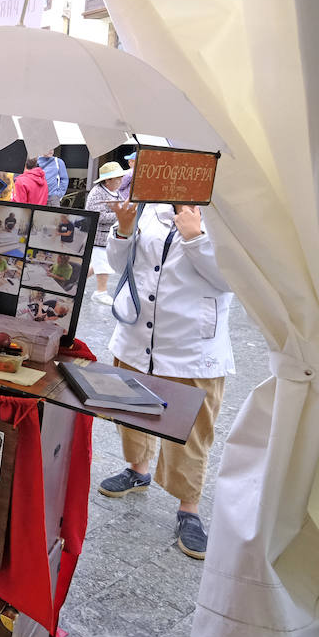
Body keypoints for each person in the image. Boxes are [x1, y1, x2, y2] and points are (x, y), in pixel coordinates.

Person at [97, 201, 234, 561]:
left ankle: (189, 507)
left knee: (190, 429)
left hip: (191, 344)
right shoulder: (146, 206)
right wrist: (124, 229)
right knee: (130, 410)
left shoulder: (224, 216)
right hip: (136, 335)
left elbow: (231, 279)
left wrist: (196, 238)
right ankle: (137, 469)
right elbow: (118, 265)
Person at [85, 162, 126, 304]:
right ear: (107, 180)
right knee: (102, 263)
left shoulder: (115, 192)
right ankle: (100, 292)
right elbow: (98, 216)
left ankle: (77, 282)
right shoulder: (97, 193)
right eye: (117, 179)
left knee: (99, 262)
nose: (120, 181)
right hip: (98, 236)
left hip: (108, 235)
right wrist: (120, 215)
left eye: (121, 178)